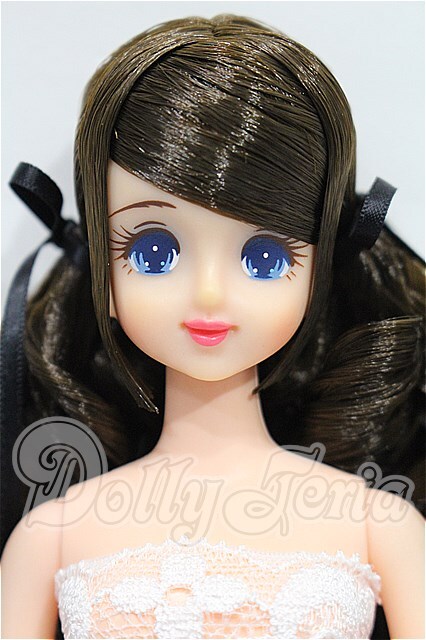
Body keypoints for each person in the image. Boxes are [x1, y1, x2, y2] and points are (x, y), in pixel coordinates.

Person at [1, 15, 424, 639]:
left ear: (317, 274)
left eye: (264, 258)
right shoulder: (50, 537)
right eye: (153, 253)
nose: (207, 293)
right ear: (103, 276)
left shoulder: (379, 527)